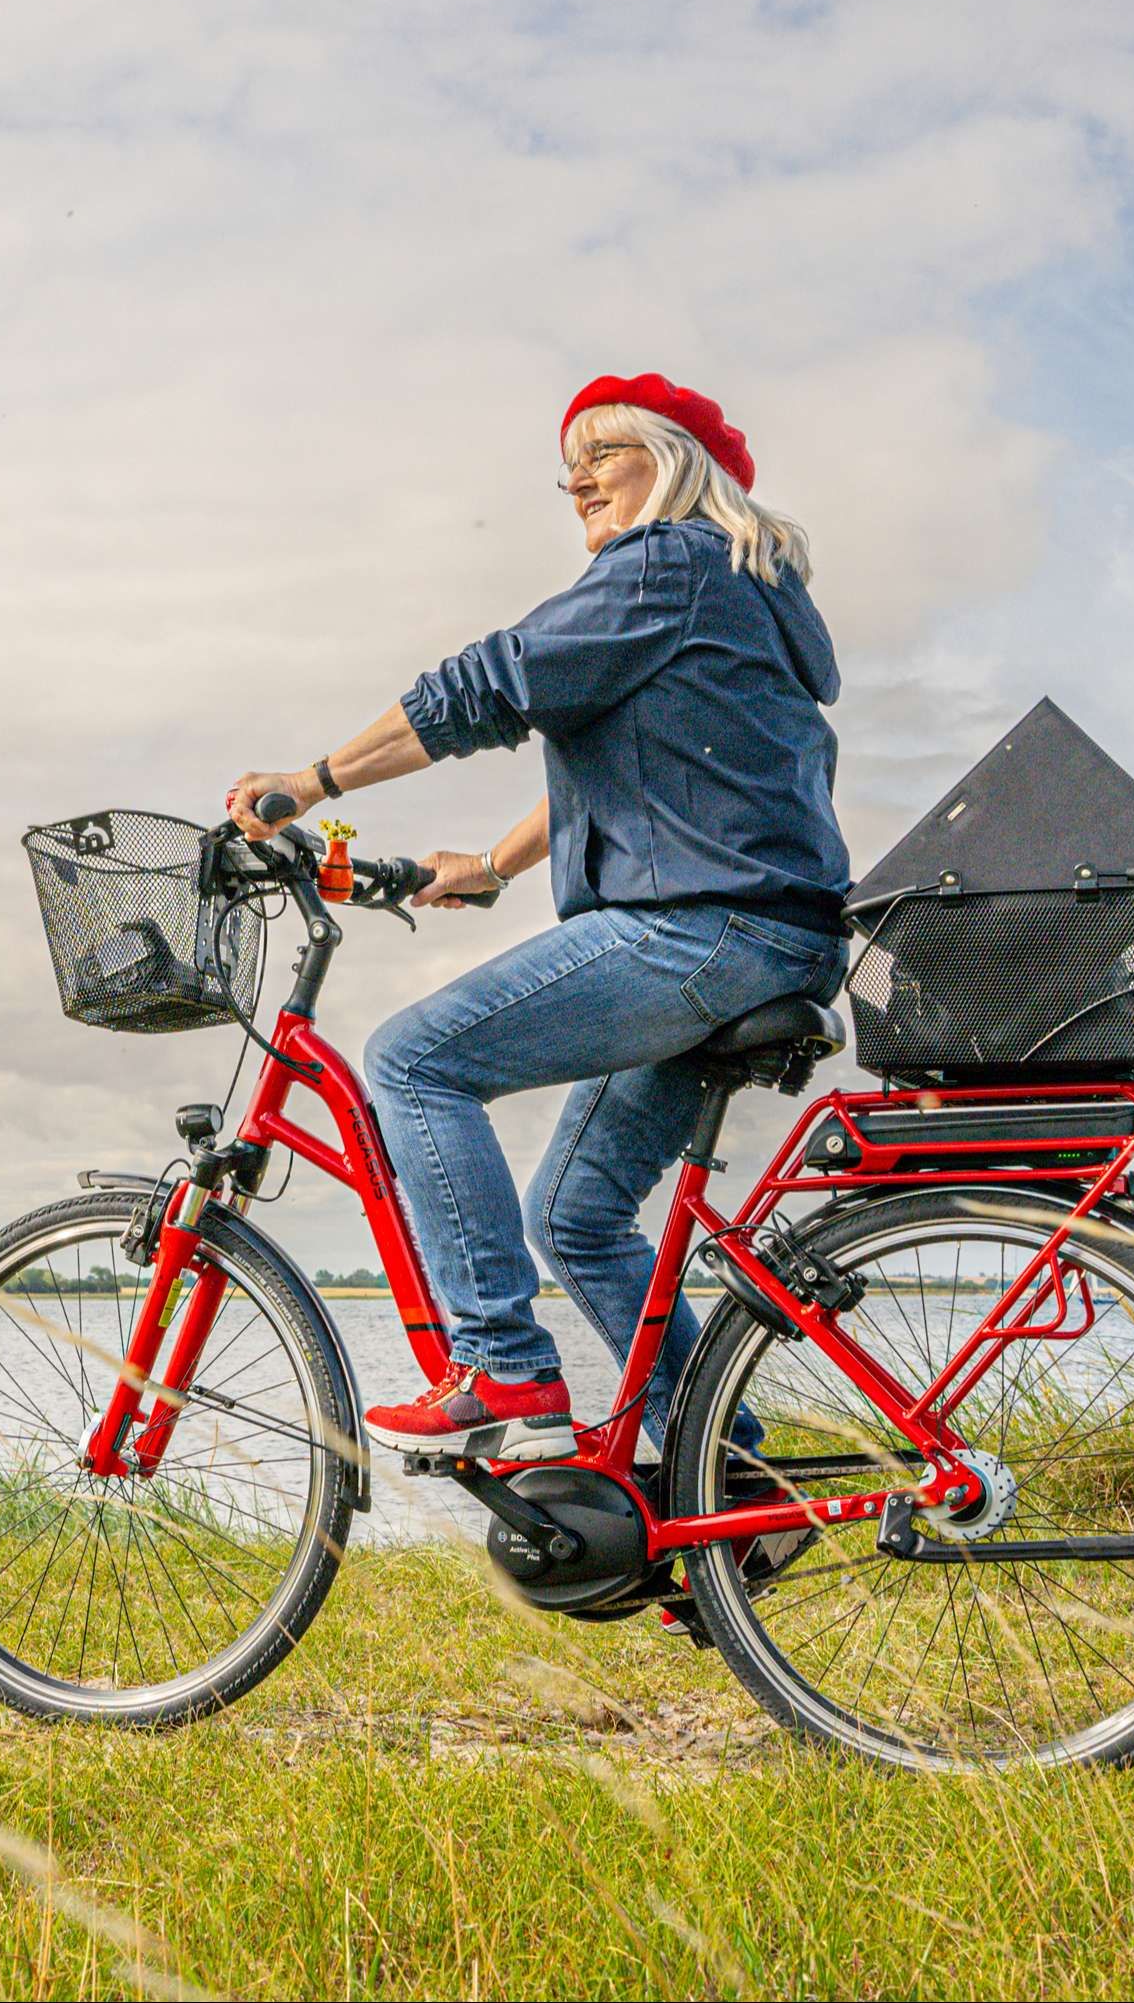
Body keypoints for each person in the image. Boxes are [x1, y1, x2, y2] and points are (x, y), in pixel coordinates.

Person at [227, 371, 848, 1463]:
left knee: (415, 1058)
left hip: (699, 931)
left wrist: (312, 781)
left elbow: (492, 683)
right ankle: (725, 1472)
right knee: (574, 1214)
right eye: (566, 469)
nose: (577, 481)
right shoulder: (734, 594)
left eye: (600, 452)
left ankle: (504, 1371)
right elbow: (639, 764)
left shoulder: (666, 562)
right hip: (767, 935)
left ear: (672, 461)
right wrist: (494, 865)